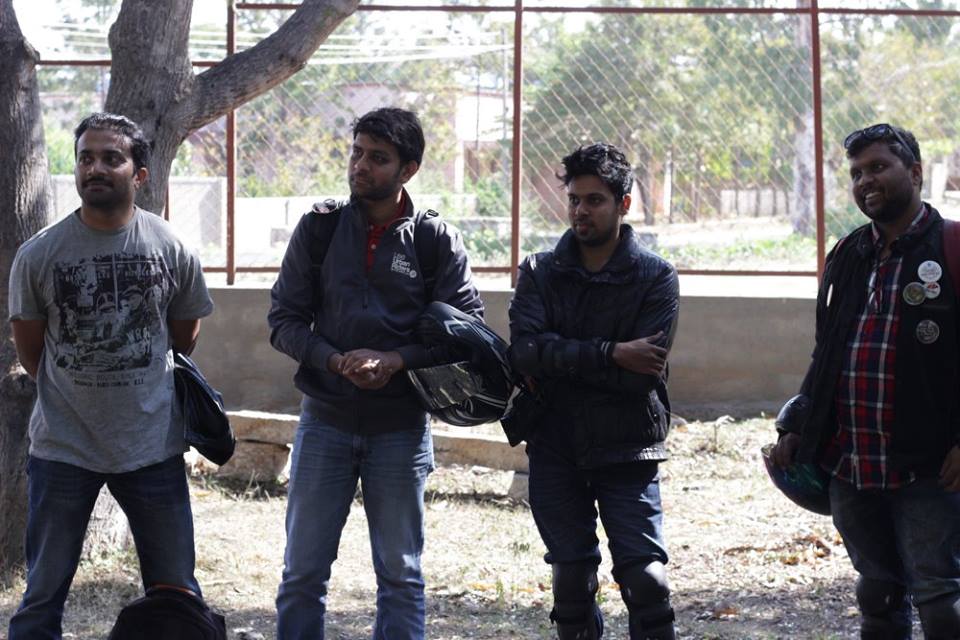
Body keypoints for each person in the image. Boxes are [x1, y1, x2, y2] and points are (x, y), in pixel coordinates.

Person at [268, 107, 483, 639]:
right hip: (325, 422)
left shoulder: (434, 240)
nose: (360, 166)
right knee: (302, 574)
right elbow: (284, 321)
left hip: (401, 429)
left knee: (401, 575)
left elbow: (468, 332)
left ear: (408, 170)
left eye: (378, 158)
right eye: (357, 152)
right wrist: (333, 359)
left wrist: (397, 361)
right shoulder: (319, 228)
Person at [6, 112, 214, 639]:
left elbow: (182, 339)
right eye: (85, 158)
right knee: (41, 596)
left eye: (110, 158)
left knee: (177, 595)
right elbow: (32, 354)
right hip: (63, 448)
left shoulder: (171, 247)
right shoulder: (39, 254)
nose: (94, 168)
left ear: (139, 174)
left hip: (151, 447)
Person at [770, 124, 960, 638]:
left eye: (878, 167)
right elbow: (827, 352)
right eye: (856, 173)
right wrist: (798, 424)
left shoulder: (952, 247)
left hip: (929, 468)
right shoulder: (847, 254)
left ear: (914, 173)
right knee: (877, 593)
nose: (864, 181)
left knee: (940, 597)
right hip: (850, 463)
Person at [507, 143, 680, 639]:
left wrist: (560, 358)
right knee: (570, 583)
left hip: (628, 445)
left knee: (646, 581)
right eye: (575, 200)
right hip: (554, 442)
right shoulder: (539, 270)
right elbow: (525, 354)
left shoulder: (655, 276)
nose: (581, 211)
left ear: (624, 204)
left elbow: (640, 376)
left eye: (595, 200)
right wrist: (610, 352)